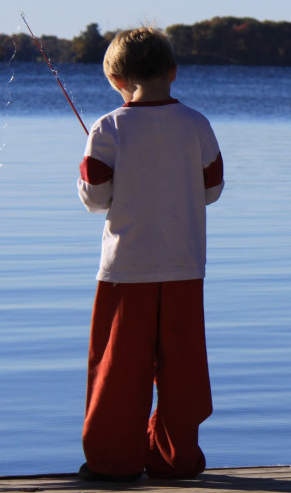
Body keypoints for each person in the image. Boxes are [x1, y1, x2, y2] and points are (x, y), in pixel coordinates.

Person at [76, 26, 224, 482]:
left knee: (118, 370)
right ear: (173, 72)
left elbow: (95, 197)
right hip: (184, 268)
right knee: (182, 369)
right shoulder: (197, 124)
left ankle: (113, 462)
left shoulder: (107, 127)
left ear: (117, 79)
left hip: (125, 271)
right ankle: (174, 460)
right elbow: (212, 190)